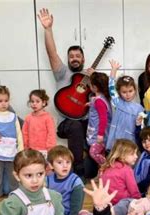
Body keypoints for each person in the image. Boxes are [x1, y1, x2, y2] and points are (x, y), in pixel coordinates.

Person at [37, 8, 94, 178]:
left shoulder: (90, 78)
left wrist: (93, 80)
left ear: (83, 59)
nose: (74, 58)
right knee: (75, 126)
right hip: (67, 124)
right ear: (68, 60)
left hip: (86, 124)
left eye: (78, 56)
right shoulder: (62, 72)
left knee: (92, 170)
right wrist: (48, 29)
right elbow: (51, 53)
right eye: (71, 56)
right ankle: (76, 171)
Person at [78, 139, 141, 215]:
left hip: (106, 204)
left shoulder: (106, 167)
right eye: (132, 154)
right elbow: (134, 191)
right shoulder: (127, 170)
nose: (136, 156)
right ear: (122, 155)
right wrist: (139, 202)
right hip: (121, 205)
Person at [106, 60, 145, 152]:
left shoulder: (139, 108)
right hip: (115, 142)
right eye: (124, 92)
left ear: (135, 90)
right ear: (119, 92)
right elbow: (111, 86)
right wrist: (114, 70)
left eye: (130, 91)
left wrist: (139, 124)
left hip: (130, 143)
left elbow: (141, 128)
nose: (128, 94)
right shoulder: (118, 102)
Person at [46, 145, 85, 215]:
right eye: (60, 162)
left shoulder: (76, 182)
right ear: (51, 165)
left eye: (68, 162)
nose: (65, 166)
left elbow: (76, 207)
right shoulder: (47, 179)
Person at [86, 72, 112, 165]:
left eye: (90, 83)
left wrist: (100, 135)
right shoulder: (101, 98)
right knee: (100, 152)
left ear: (95, 87)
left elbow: (103, 118)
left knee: (93, 152)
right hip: (98, 133)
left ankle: (107, 166)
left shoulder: (99, 101)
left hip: (99, 134)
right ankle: (102, 172)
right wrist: (91, 104)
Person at [22, 89, 56, 157]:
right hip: (31, 150)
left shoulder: (48, 118)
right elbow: (24, 133)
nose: (34, 104)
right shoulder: (28, 118)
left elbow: (51, 135)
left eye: (37, 101)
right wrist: (26, 147)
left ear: (43, 102)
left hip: (45, 151)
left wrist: (50, 149)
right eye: (32, 101)